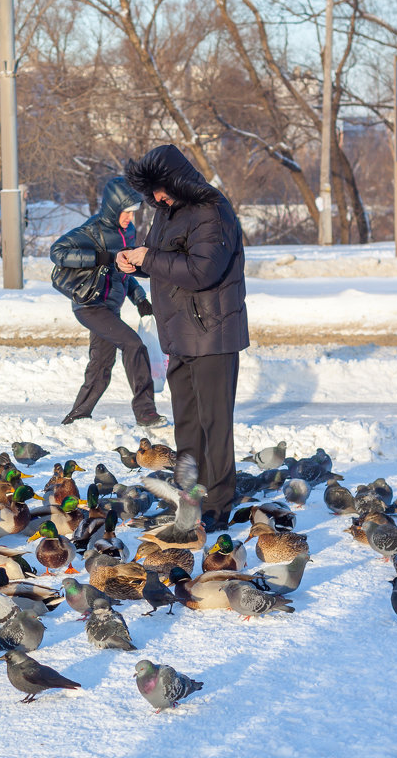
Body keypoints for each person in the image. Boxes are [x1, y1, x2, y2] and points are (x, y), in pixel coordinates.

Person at [116, 145, 248, 529]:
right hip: (179, 334)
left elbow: (202, 270)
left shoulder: (212, 209)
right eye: (152, 192)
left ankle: (219, 502)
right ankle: (189, 496)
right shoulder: (167, 213)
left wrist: (148, 258)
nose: (157, 197)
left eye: (161, 188)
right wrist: (135, 262)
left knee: (214, 424)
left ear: (176, 179)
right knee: (187, 423)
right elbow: (164, 261)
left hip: (213, 334)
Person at [50, 177, 167, 428]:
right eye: (125, 212)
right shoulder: (92, 230)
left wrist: (140, 299)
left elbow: (123, 271)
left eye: (133, 212)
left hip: (110, 307)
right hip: (90, 305)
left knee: (102, 363)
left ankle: (77, 417)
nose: (129, 217)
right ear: (114, 208)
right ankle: (145, 412)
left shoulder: (128, 232)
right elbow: (57, 252)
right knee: (134, 345)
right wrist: (100, 257)